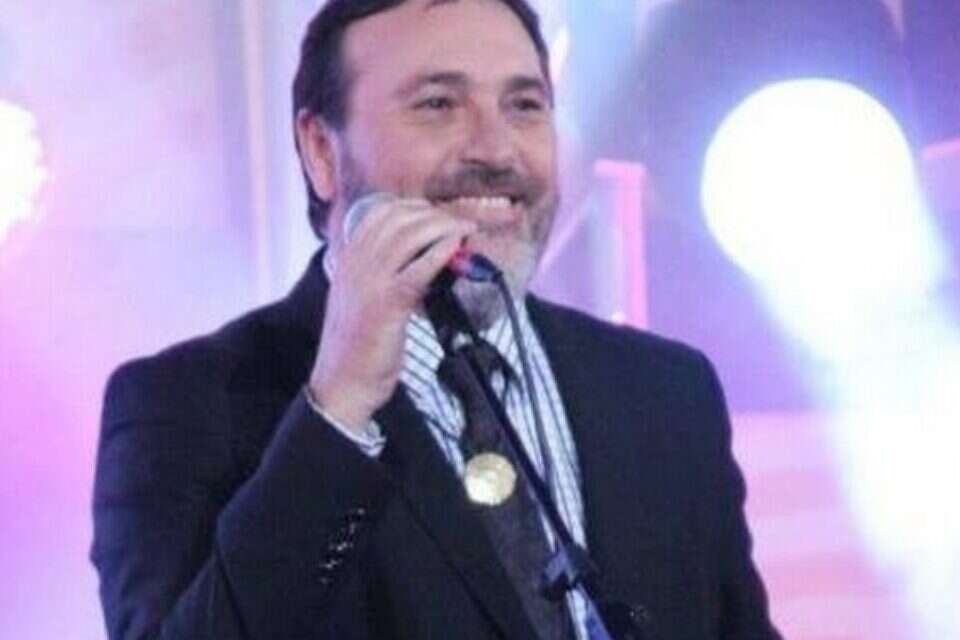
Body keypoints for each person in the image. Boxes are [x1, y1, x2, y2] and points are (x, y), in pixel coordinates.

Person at [91, 0, 782, 638]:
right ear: (322, 151)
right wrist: (338, 410)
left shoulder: (667, 393)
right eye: (438, 104)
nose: (496, 150)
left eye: (524, 105)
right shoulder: (187, 408)